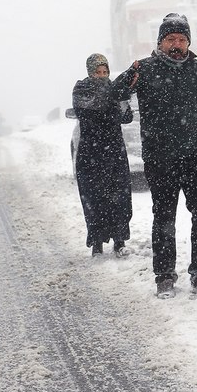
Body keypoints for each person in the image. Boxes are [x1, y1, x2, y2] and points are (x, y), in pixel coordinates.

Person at [112, 13, 197, 299]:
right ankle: (164, 276)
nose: (177, 45)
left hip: (195, 158)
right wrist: (127, 77)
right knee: (164, 217)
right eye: (171, 39)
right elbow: (116, 94)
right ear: (160, 42)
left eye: (182, 40)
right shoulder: (145, 69)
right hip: (160, 159)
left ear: (189, 43)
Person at [72, 53, 133, 257]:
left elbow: (126, 116)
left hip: (114, 151)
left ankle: (119, 240)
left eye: (105, 72)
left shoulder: (115, 90)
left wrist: (123, 95)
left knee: (119, 197)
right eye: (98, 72)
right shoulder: (81, 89)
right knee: (94, 197)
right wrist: (114, 92)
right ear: (90, 73)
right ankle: (97, 242)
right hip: (91, 153)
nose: (102, 76)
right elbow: (89, 111)